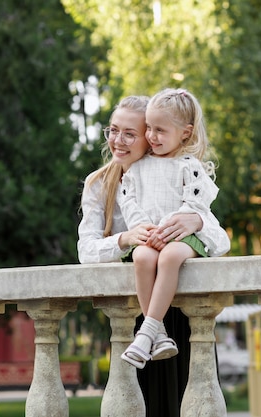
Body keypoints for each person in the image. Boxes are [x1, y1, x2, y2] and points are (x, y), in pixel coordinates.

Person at [77, 95, 227, 417]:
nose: (118, 140)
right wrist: (124, 238)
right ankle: (151, 332)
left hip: (184, 315)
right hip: (135, 312)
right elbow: (86, 250)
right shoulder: (101, 185)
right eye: (113, 130)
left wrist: (197, 220)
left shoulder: (180, 176)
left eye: (130, 133)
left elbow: (220, 239)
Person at [117, 88, 230, 371]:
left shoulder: (189, 166)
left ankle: (146, 332)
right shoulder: (139, 167)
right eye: (149, 129)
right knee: (142, 258)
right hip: (149, 234)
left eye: (160, 130)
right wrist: (143, 227)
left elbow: (195, 205)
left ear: (185, 132)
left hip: (181, 236)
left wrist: (167, 228)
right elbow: (127, 199)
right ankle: (160, 335)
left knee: (169, 258)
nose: (152, 136)